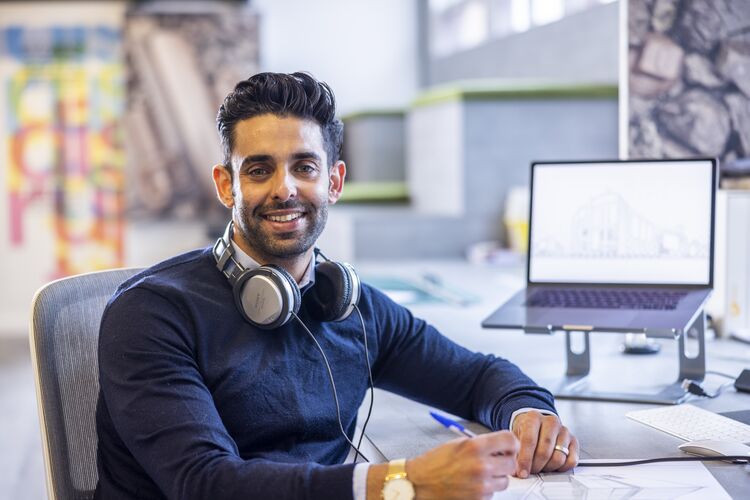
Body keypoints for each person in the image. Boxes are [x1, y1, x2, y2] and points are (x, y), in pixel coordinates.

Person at [95, 72, 578, 500]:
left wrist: (528, 415)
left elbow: (477, 377)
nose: (285, 188)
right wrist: (402, 483)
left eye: (305, 166)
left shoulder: (349, 305)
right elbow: (205, 483)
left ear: (334, 181)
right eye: (259, 169)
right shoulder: (151, 314)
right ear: (226, 186)